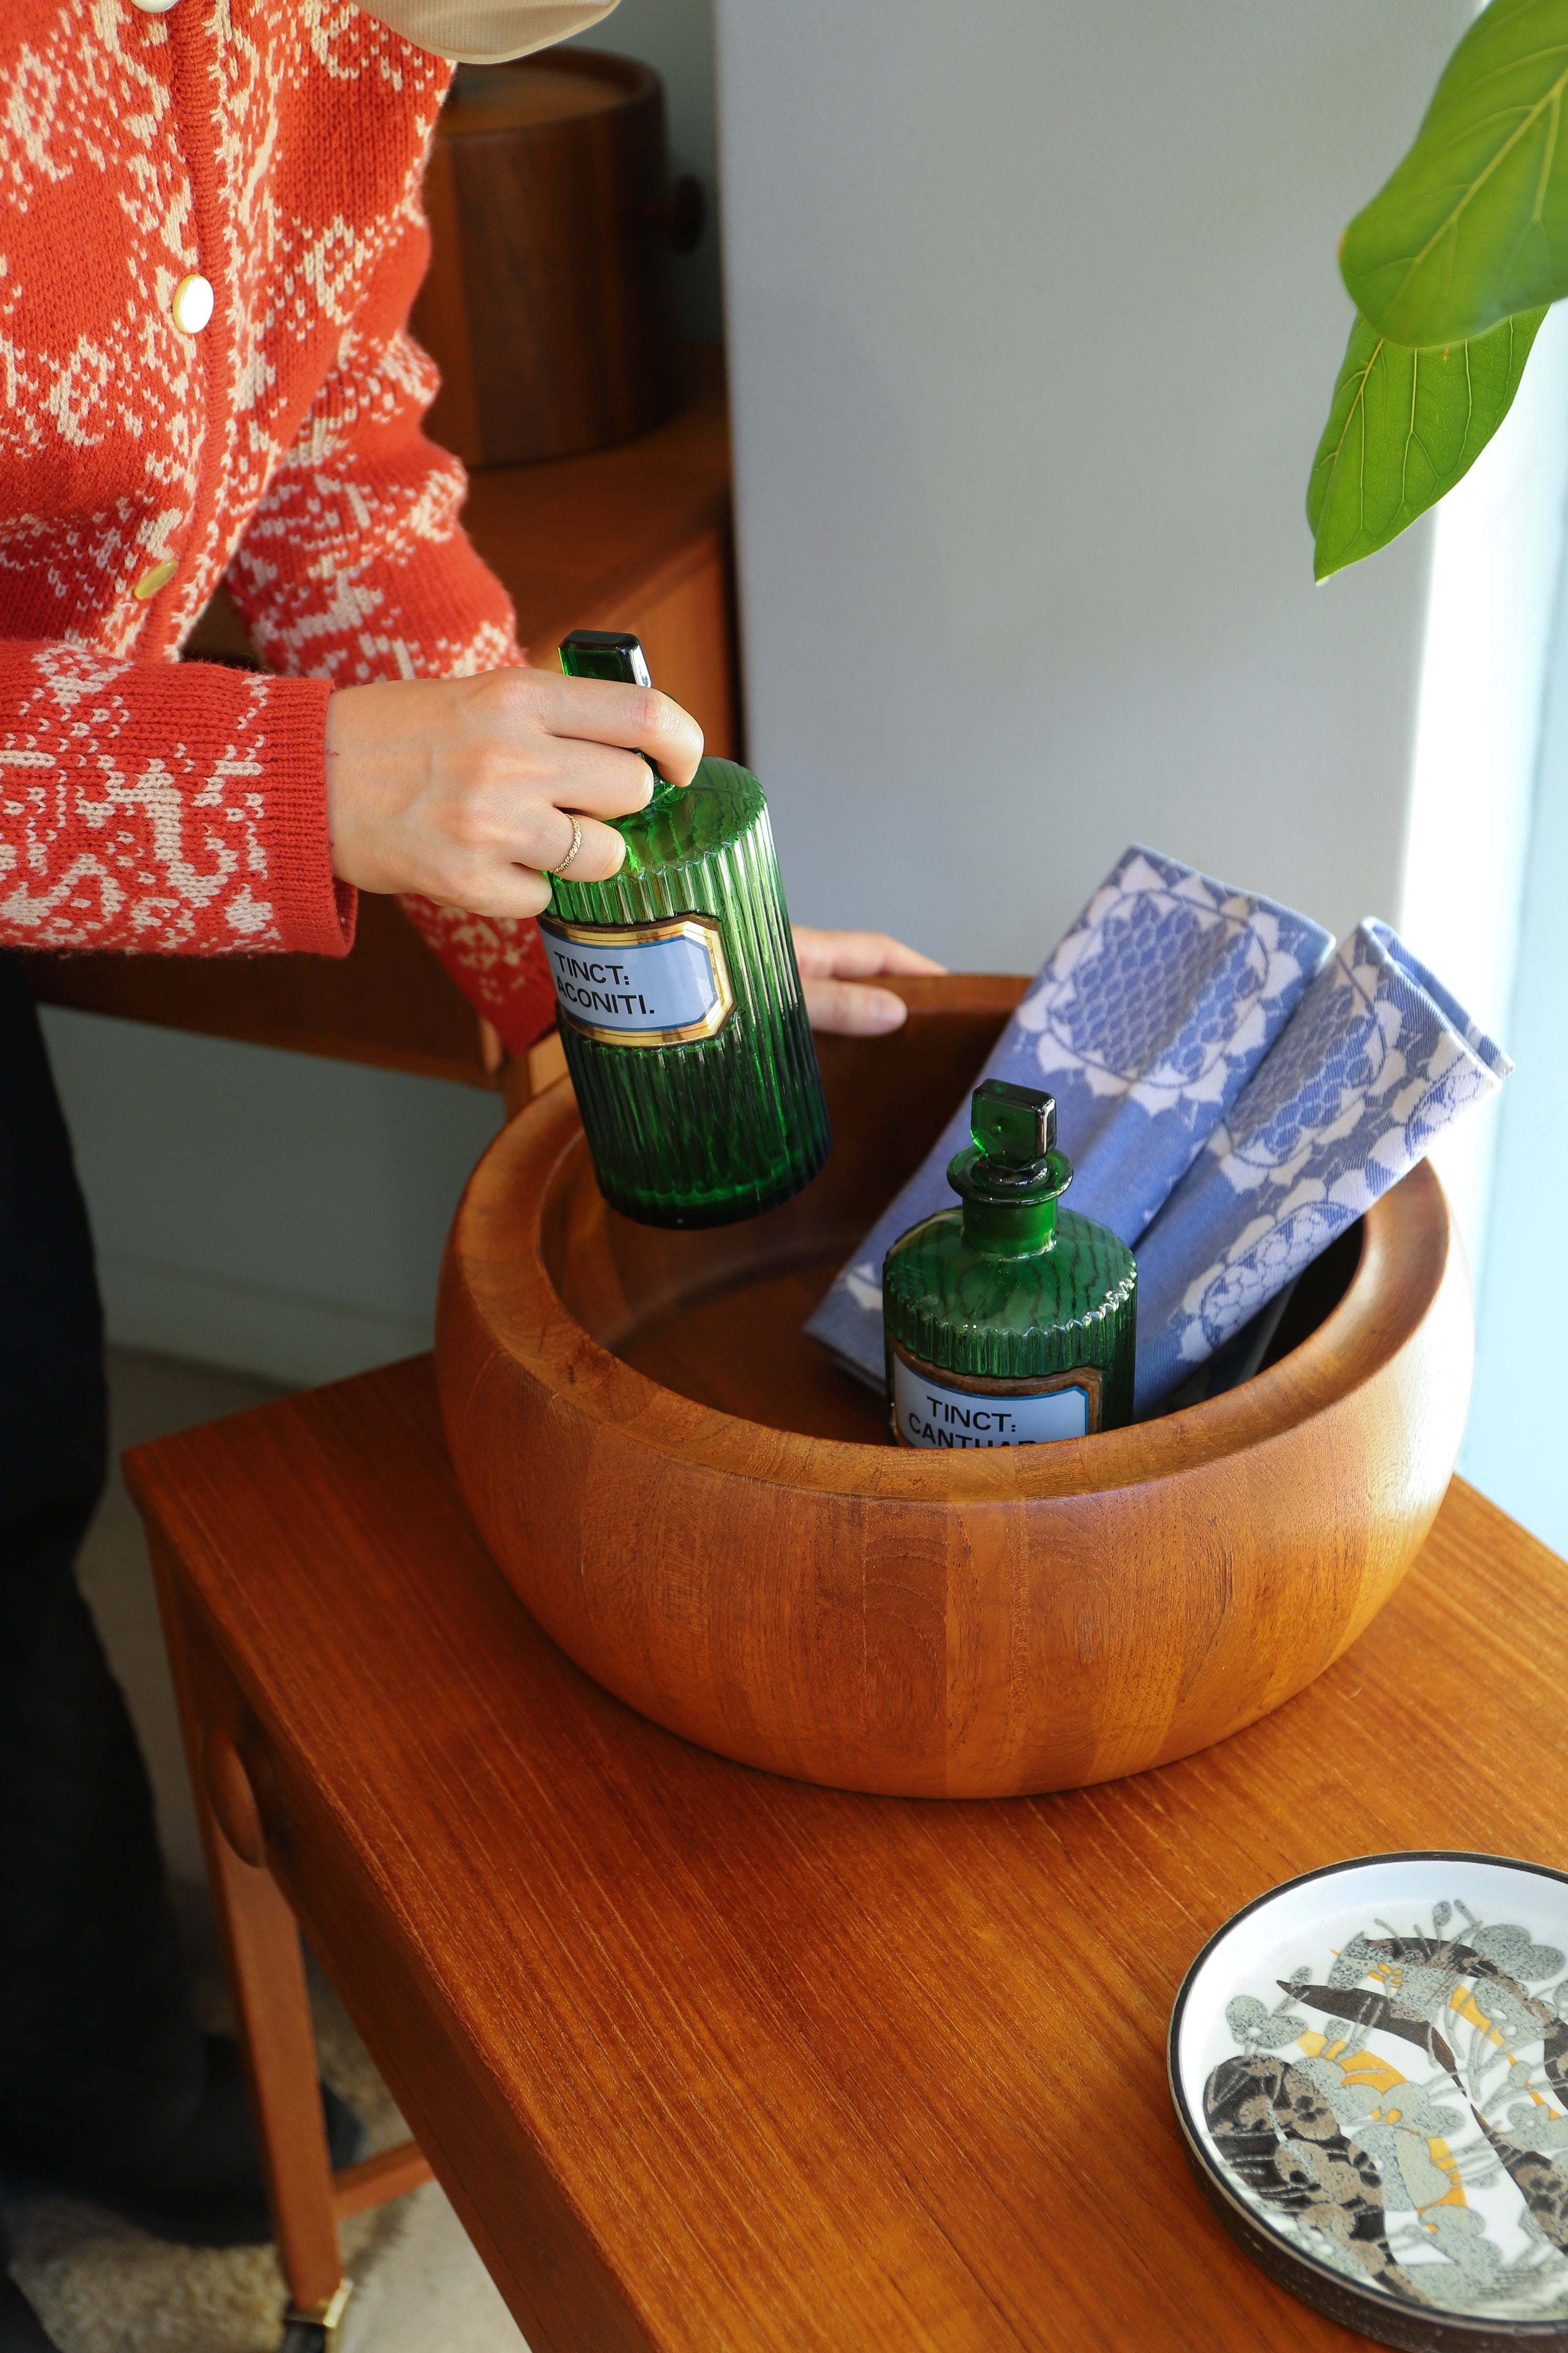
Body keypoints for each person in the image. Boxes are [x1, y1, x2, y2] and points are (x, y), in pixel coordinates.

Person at [0, 4, 938, 2343]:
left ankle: (79, 2060)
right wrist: (302, 784)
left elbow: (322, 465)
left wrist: (579, 934)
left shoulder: (357, 34)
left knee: (15, 1466)